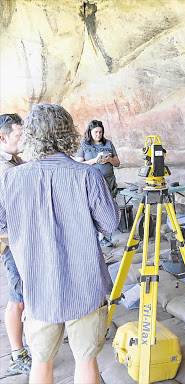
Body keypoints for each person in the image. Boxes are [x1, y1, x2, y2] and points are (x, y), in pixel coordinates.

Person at [0, 104, 120, 384]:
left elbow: (3, 225)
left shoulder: (12, 179)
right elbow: (111, 223)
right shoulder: (87, 175)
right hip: (85, 285)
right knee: (86, 360)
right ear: (68, 133)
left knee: (41, 362)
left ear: (31, 136)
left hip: (38, 289)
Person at [0, 113, 32, 375]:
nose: (24, 139)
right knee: (17, 298)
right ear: (3, 137)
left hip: (19, 241)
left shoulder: (13, 161)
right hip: (13, 245)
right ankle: (17, 353)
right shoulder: (4, 171)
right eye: (19, 135)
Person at [75, 119, 120, 247]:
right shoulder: (84, 145)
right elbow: (78, 164)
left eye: (100, 132)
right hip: (92, 181)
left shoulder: (108, 144)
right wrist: (95, 160)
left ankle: (103, 234)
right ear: (90, 132)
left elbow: (117, 163)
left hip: (108, 180)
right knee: (94, 207)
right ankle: (95, 234)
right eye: (96, 132)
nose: (98, 135)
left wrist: (109, 159)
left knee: (108, 206)